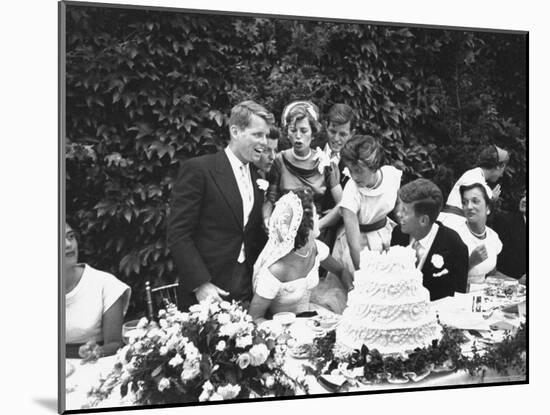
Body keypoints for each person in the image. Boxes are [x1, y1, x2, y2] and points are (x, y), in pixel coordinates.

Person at [167, 100, 274, 310]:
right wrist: (200, 284)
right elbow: (178, 234)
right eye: (257, 134)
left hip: (245, 291)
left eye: (266, 135)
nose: (264, 142)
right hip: (206, 294)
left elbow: (251, 235)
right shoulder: (200, 170)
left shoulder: (256, 178)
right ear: (235, 131)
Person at [310, 135, 402, 313]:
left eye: (359, 170)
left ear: (374, 165)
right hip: (359, 248)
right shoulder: (352, 191)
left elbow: (397, 207)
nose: (354, 176)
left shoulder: (391, 175)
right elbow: (354, 246)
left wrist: (403, 240)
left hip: (386, 238)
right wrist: (364, 279)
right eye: (351, 170)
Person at [249, 189, 353, 322]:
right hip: (284, 329)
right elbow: (255, 317)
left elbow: (341, 270)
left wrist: (352, 291)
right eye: (316, 215)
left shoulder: (315, 249)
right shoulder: (276, 269)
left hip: (312, 315)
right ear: (305, 226)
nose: (318, 218)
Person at [264, 101, 342, 230]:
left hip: (316, 234)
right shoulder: (280, 160)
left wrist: (318, 226)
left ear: (313, 133)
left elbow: (343, 204)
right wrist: (267, 219)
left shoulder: (325, 163)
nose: (298, 136)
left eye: (304, 130)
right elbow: (270, 200)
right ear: (287, 133)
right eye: (293, 130)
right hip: (284, 231)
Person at [391, 179, 469, 301]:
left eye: (404, 211)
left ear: (423, 220)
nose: (398, 214)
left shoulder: (454, 246)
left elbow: (458, 298)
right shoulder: (398, 234)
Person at [65, 223, 131, 358]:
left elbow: (114, 344)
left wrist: (97, 351)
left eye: (71, 237)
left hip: (91, 370)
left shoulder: (105, 284)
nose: (68, 244)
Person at [438, 144, 509, 232]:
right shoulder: (477, 179)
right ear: (499, 166)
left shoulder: (473, 174)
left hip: (452, 222)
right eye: (503, 169)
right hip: (454, 224)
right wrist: (492, 199)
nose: (502, 174)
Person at [316, 103, 355, 249]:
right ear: (326, 126)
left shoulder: (354, 163)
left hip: (338, 235)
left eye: (343, 134)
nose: (336, 138)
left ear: (352, 133)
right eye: (333, 131)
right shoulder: (312, 149)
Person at [453, 182, 504, 290]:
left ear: (488, 208)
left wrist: (517, 282)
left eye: (475, 201)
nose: (469, 207)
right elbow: (444, 279)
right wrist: (470, 262)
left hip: (485, 297)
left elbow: (492, 274)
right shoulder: (453, 235)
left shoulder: (493, 237)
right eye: (465, 202)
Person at [492, 190, 527, 282]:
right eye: (523, 196)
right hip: (508, 282)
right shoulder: (505, 221)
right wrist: (517, 280)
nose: (524, 200)